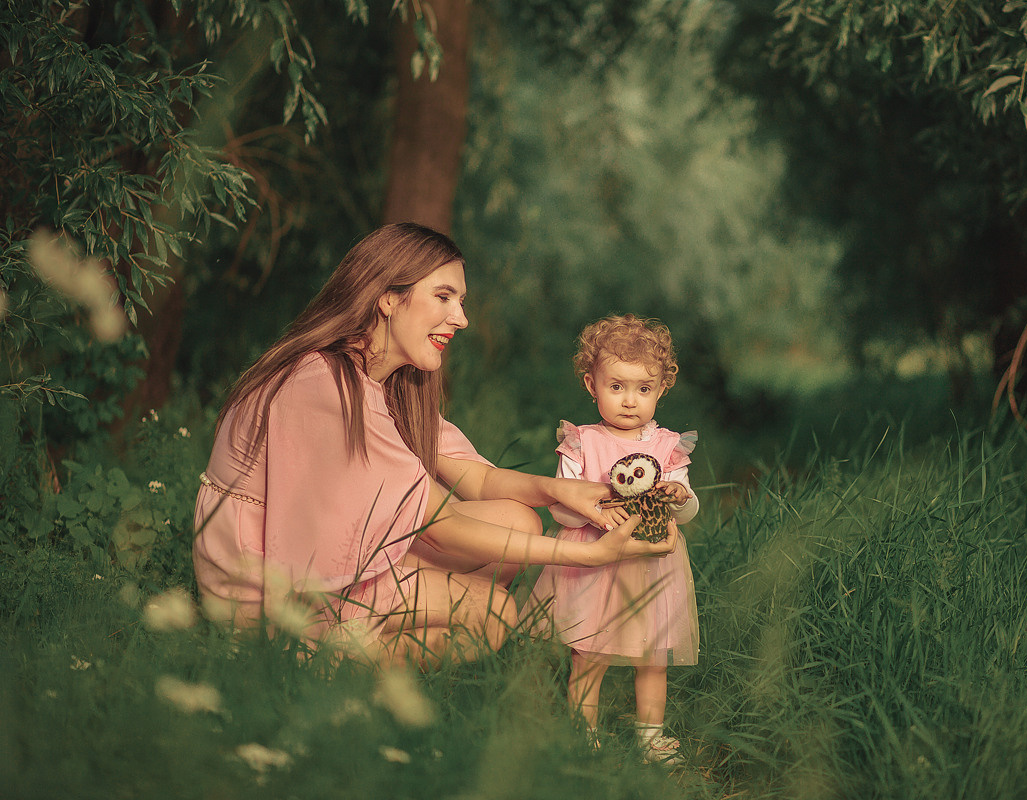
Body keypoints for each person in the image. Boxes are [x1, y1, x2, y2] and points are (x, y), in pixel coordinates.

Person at [192, 224, 678, 667]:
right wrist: (583, 556)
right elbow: (439, 525)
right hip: (265, 588)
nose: (461, 318)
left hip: (321, 559)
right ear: (387, 298)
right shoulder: (325, 385)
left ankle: (348, 655)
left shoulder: (389, 384)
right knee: (498, 611)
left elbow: (480, 479)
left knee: (516, 526)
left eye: (460, 301)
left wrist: (560, 491)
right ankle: (311, 661)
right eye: (444, 296)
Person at [528, 314, 699, 765]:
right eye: (616, 386)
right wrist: (597, 512)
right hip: (594, 565)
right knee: (590, 654)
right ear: (591, 384)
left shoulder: (667, 446)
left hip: (651, 564)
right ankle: (583, 735)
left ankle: (650, 737)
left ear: (662, 388)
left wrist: (679, 494)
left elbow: (688, 507)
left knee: (653, 657)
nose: (629, 401)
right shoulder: (582, 443)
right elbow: (562, 507)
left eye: (644, 389)